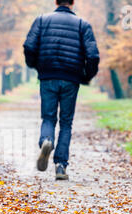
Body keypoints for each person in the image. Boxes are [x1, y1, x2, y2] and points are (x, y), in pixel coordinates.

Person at [23, 0, 100, 180]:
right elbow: (93, 55)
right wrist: (86, 76)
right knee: (66, 121)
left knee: (48, 117)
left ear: (56, 2)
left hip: (48, 76)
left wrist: (35, 65)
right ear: (72, 3)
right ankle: (60, 166)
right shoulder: (83, 25)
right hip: (70, 79)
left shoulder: (41, 20)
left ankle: (47, 141)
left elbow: (29, 46)